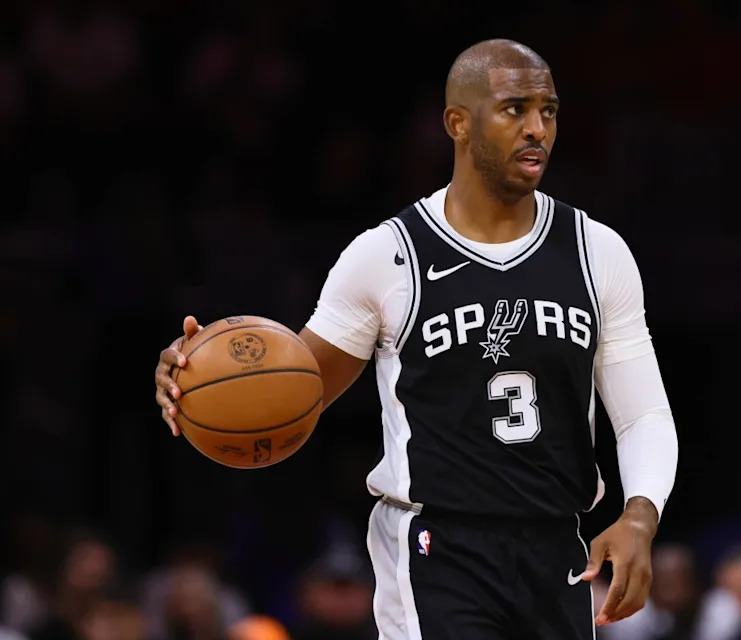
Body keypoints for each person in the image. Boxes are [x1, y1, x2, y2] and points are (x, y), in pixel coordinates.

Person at [153, 38, 679, 639]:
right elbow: (292, 390)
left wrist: (640, 514)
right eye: (514, 109)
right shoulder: (387, 255)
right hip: (435, 546)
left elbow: (642, 417)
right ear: (457, 122)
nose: (537, 128)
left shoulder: (597, 252)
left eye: (549, 110)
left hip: (555, 542)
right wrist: (195, 378)